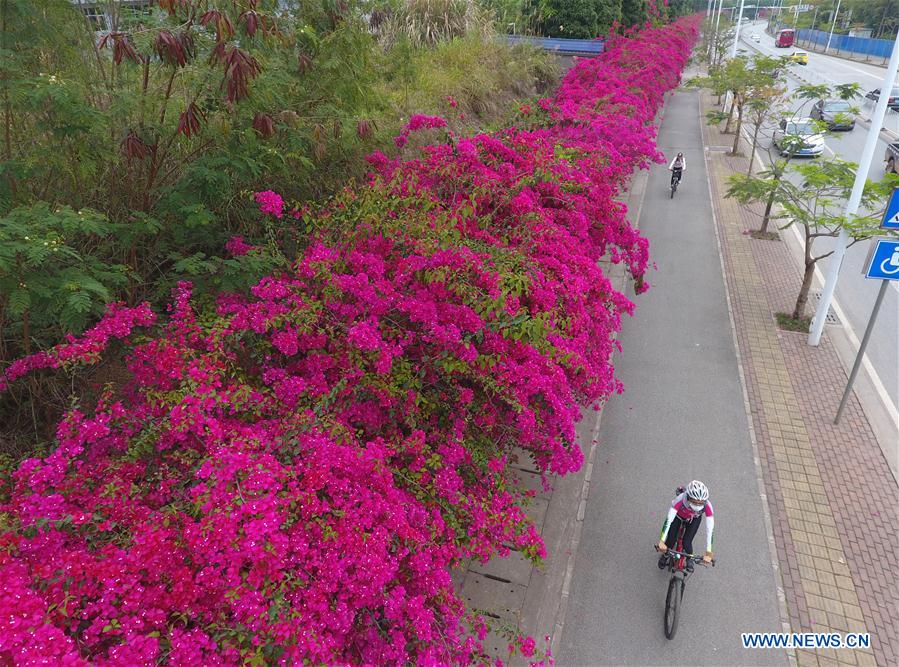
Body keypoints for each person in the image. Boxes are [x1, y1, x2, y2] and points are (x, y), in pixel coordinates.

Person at [657, 479, 714, 572]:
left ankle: (689, 558)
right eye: (694, 502)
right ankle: (665, 555)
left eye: (701, 503)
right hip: (678, 517)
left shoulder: (707, 506)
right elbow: (669, 520)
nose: (697, 505)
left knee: (687, 543)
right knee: (670, 541)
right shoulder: (679, 500)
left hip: (694, 519)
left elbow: (710, 529)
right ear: (687, 497)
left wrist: (709, 552)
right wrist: (662, 541)